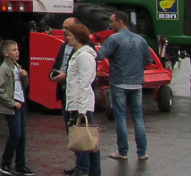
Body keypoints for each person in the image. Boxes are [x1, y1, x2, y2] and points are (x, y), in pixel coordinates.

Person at [96, 11, 151, 161]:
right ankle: (142, 152)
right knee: (138, 117)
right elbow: (148, 60)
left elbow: (99, 55)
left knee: (120, 118)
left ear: (120, 21)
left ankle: (123, 151)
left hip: (119, 82)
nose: (110, 24)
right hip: (137, 83)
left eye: (112, 21)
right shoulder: (140, 39)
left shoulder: (114, 39)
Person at [49, 18, 86, 176]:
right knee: (71, 132)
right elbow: (58, 64)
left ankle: (84, 168)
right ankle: (79, 165)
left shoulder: (84, 51)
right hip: (65, 93)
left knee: (80, 134)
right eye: (63, 27)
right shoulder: (64, 45)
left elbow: (84, 78)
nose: (64, 31)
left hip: (77, 98)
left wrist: (66, 77)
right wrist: (53, 73)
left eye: (67, 28)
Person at [64, 22, 100, 176]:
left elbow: (85, 83)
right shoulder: (79, 53)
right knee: (85, 140)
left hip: (81, 105)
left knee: (85, 140)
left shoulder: (84, 56)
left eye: (70, 35)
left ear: (78, 37)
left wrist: (81, 111)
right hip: (76, 103)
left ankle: (84, 170)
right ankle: (89, 170)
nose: (67, 37)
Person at [0, 39, 32, 176]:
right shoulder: (4, 68)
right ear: (6, 53)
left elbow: (23, 86)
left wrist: (25, 77)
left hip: (21, 104)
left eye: (17, 49)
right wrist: (11, 102)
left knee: (22, 137)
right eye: (14, 50)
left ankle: (21, 165)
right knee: (15, 135)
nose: (17, 52)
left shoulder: (16, 66)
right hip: (13, 106)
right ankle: (5, 163)